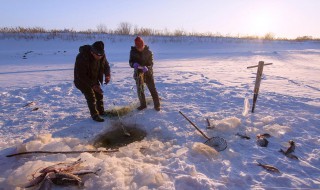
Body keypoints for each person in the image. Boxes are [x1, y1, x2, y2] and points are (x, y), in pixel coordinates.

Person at [74, 41, 111, 122]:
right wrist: (93, 85)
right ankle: (94, 115)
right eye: (98, 55)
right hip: (82, 80)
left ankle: (101, 112)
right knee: (91, 96)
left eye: (101, 55)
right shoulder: (82, 57)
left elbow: (106, 65)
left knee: (99, 95)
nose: (100, 57)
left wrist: (107, 75)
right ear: (92, 52)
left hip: (94, 78)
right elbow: (81, 75)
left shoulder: (101, 55)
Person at [129, 36, 160, 111]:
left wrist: (147, 68)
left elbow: (151, 63)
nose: (139, 49)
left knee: (152, 89)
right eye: (138, 47)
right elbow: (130, 62)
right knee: (140, 90)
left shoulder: (149, 52)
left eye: (141, 47)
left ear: (143, 45)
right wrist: (133, 65)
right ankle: (143, 105)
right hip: (138, 74)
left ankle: (157, 105)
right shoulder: (132, 52)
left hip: (148, 73)